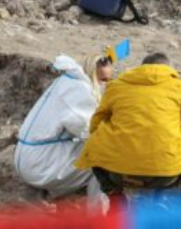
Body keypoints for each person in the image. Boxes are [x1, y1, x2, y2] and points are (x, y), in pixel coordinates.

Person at [75, 53, 181, 194]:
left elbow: (96, 122)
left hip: (117, 172)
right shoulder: (179, 87)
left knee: (93, 143)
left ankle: (111, 191)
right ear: (169, 69)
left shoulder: (116, 86)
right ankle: (164, 194)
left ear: (142, 68)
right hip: (165, 175)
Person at [14, 54, 113, 210]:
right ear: (91, 74)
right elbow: (91, 132)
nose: (106, 85)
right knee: (103, 159)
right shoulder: (79, 91)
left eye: (109, 80)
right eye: (102, 80)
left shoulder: (66, 81)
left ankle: (46, 196)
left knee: (87, 149)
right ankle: (99, 218)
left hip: (29, 157)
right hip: (39, 165)